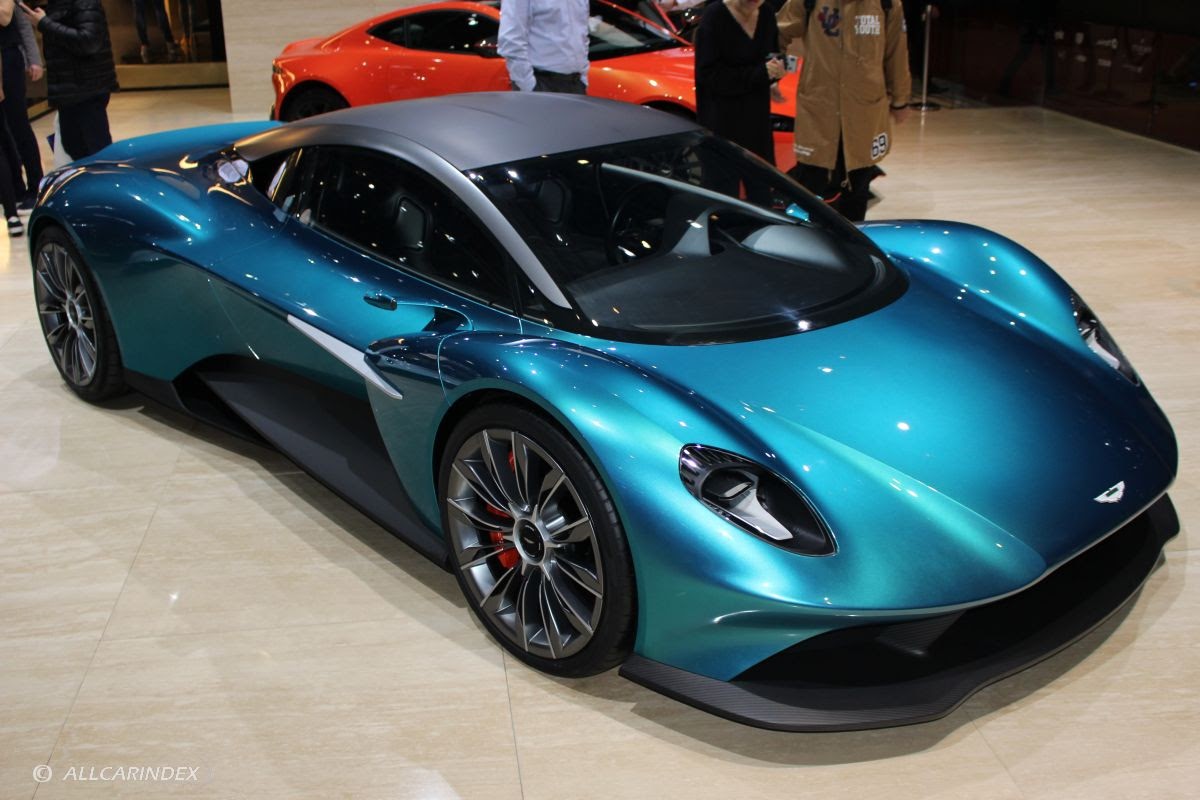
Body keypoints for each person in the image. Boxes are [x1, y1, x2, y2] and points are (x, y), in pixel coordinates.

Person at [777, 0, 911, 221]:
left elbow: (896, 51)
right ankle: (813, 240)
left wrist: (901, 99)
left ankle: (851, 240)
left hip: (864, 114)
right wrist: (773, 73)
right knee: (812, 188)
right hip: (818, 112)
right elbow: (778, 31)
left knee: (858, 187)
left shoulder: (887, 4)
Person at [20, 0, 119, 161]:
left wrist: (44, 24)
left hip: (87, 88)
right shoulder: (57, 4)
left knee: (97, 152)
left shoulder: (84, 3)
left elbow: (88, 41)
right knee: (73, 146)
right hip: (69, 90)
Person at [694, 0, 785, 166]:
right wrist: (760, 73)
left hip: (757, 120)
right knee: (724, 177)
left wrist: (774, 76)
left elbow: (772, 54)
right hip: (722, 121)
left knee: (761, 177)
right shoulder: (714, 16)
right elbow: (709, 75)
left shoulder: (766, 13)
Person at [0, 4, 44, 212]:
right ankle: (13, 187)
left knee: (19, 125)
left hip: (8, 57)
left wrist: (34, 59)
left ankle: (36, 186)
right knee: (3, 131)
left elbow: (8, 18)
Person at [498, 0, 589, 94]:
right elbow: (511, 39)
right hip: (540, 82)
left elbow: (582, 34)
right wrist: (528, 86)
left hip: (576, 83)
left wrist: (583, 78)